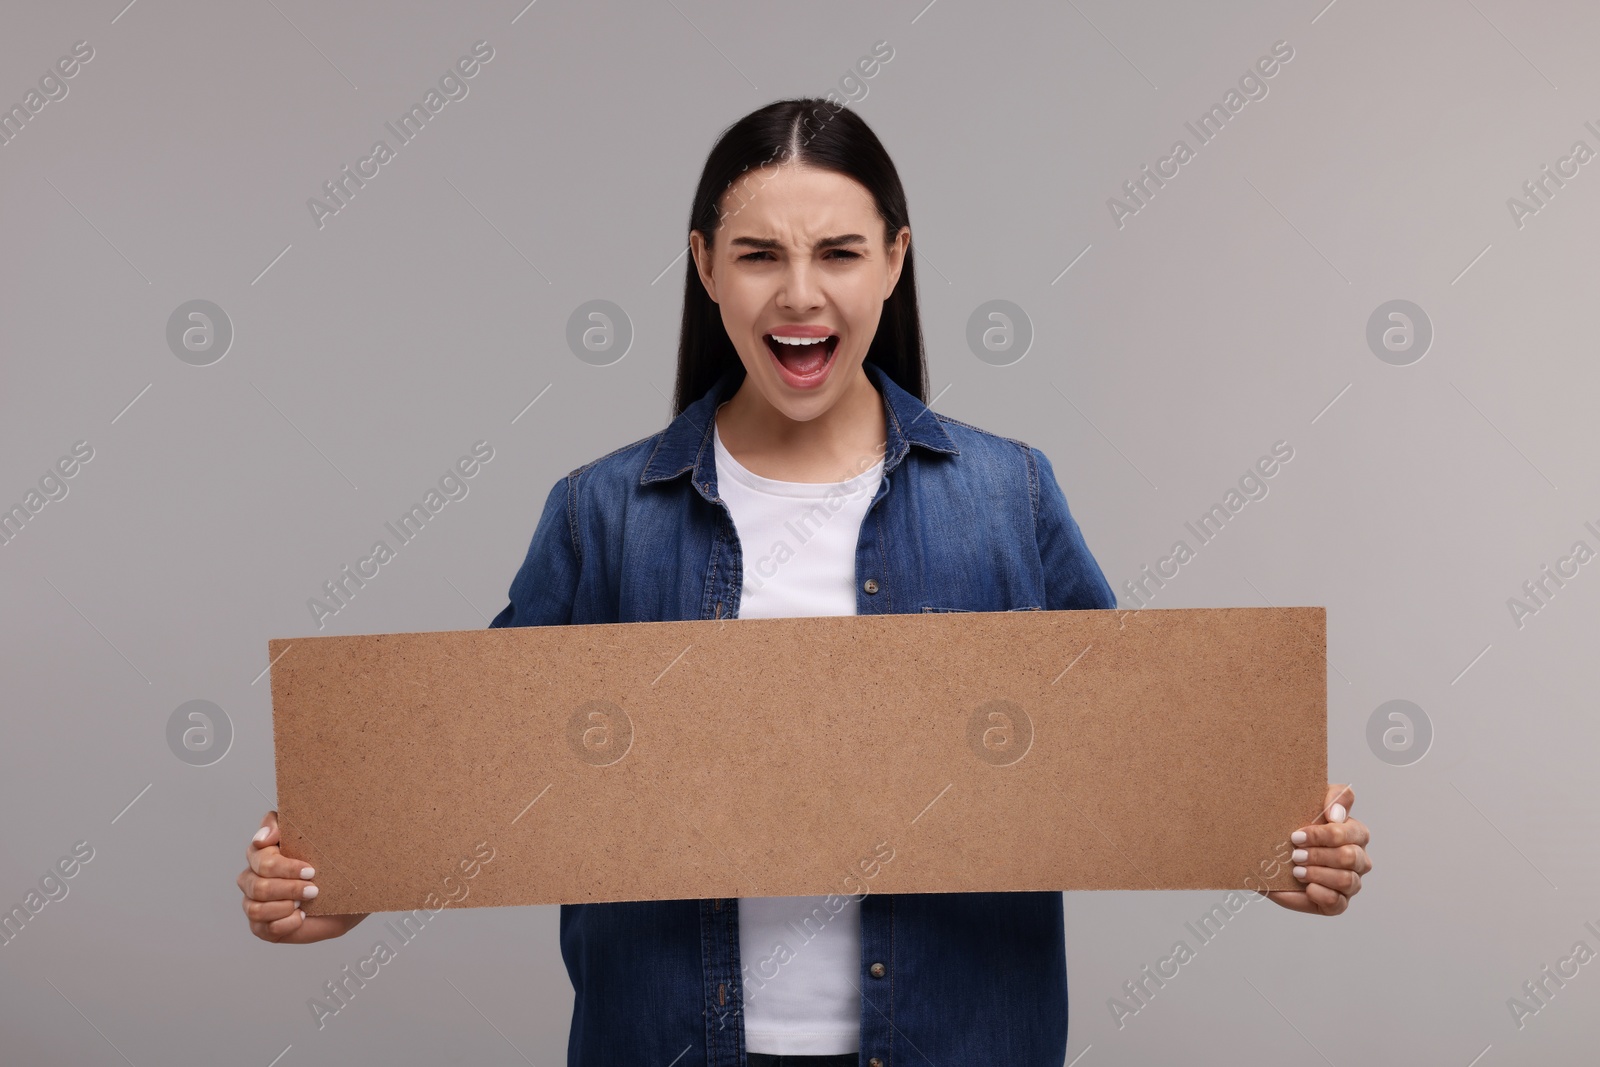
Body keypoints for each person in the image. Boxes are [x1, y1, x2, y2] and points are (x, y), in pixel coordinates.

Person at [239, 97, 1373, 1067]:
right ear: (703, 267)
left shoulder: (1005, 492)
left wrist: (1267, 843)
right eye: (758, 254)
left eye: (837, 252)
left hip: (959, 1035)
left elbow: (1121, 746)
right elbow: (489, 762)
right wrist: (343, 882)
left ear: (894, 258)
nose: (799, 295)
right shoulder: (602, 509)